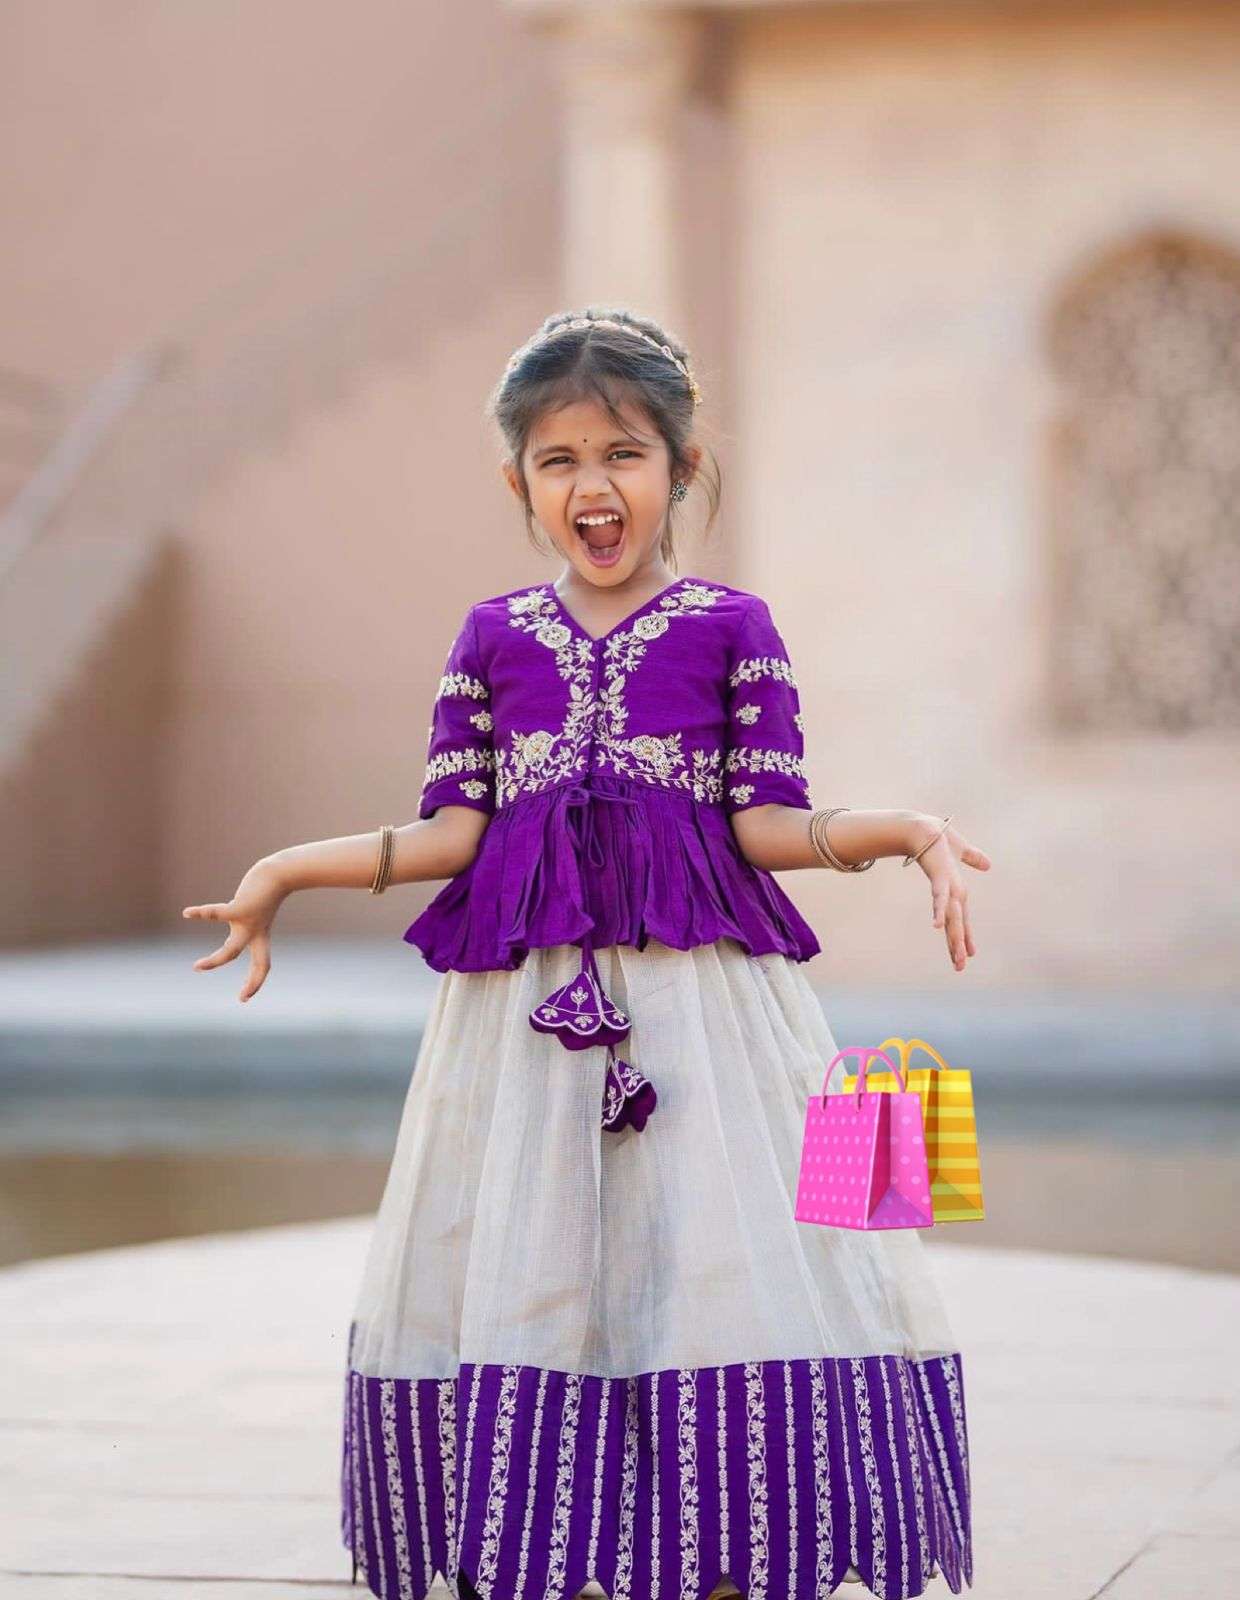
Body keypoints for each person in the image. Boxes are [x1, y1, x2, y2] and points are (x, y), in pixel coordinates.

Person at [182, 307, 991, 1600]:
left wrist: (910, 833)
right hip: (526, 1020)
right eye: (557, 461)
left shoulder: (735, 628)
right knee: (540, 1273)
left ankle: (732, 1556)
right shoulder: (492, 638)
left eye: (621, 453)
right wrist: (283, 871)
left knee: (730, 1266)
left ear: (680, 467)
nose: (592, 486)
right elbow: (454, 833)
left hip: (708, 1013)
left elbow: (765, 823)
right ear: (518, 484)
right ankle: (558, 1551)